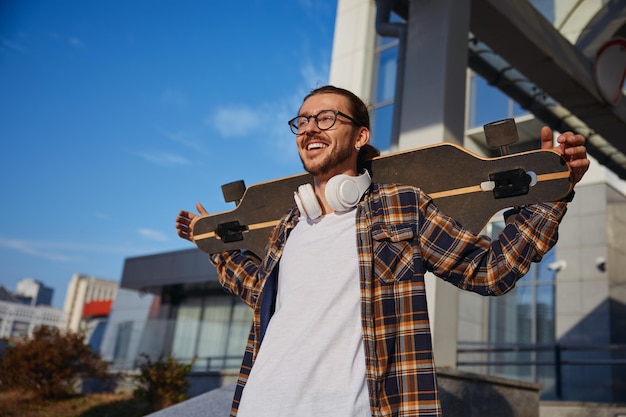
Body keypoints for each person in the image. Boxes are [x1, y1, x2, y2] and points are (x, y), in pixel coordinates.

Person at [176, 85, 590, 417]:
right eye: (301, 121)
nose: (309, 128)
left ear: (360, 135)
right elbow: (259, 291)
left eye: (326, 118)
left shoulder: (401, 205)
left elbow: (491, 272)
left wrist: (553, 193)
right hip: (257, 405)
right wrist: (211, 243)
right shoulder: (288, 226)